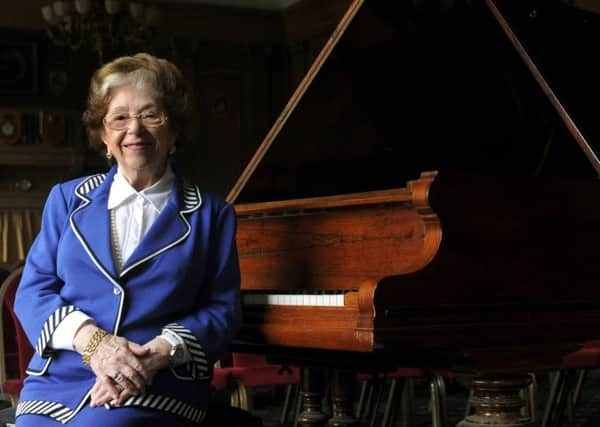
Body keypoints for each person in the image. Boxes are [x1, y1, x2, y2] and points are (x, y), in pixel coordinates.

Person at [13, 53, 256, 426]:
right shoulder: (65, 200)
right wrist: (95, 345)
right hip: (62, 381)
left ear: (174, 130)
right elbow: (33, 293)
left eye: (150, 115)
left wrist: (157, 354)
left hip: (157, 379)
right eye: (120, 118)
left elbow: (221, 311)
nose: (135, 131)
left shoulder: (212, 215)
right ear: (104, 135)